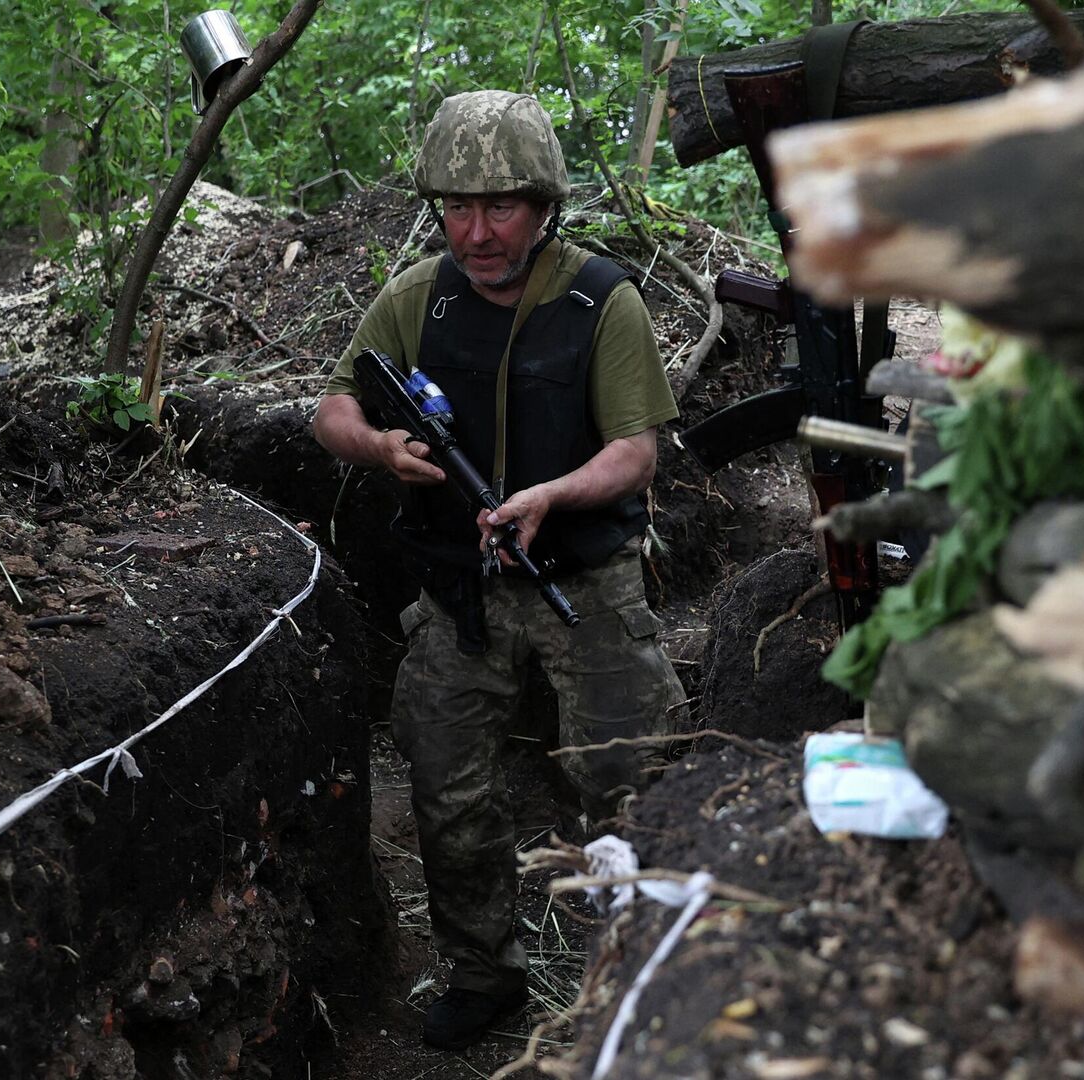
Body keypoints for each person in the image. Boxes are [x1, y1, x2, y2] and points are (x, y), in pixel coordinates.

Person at [311, 90, 685, 1050]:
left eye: (501, 208)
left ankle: (640, 978)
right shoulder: (416, 297)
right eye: (457, 209)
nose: (477, 232)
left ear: (543, 206)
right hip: (459, 591)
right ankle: (483, 977)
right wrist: (381, 447)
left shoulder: (602, 299)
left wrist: (553, 493)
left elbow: (637, 451)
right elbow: (332, 409)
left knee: (630, 785)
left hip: (587, 585)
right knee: (449, 795)